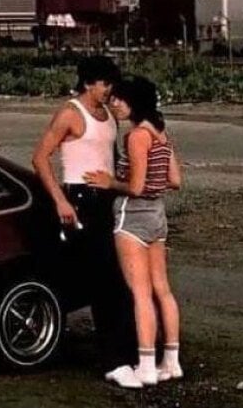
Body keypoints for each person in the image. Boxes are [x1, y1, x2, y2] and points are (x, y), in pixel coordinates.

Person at [31, 54, 138, 387]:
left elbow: (111, 157)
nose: (108, 90)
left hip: (108, 198)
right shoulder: (70, 114)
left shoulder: (107, 115)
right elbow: (39, 157)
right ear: (89, 82)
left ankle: (129, 354)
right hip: (81, 199)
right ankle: (114, 360)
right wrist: (61, 200)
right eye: (105, 83)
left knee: (120, 277)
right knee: (106, 279)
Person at [84, 75, 183, 388]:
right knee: (162, 290)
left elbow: (136, 186)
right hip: (158, 214)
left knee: (140, 293)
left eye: (121, 99)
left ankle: (145, 364)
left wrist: (109, 182)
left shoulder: (137, 136)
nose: (115, 104)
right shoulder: (160, 132)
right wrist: (152, 183)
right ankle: (171, 361)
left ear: (135, 102)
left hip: (134, 217)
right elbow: (175, 179)